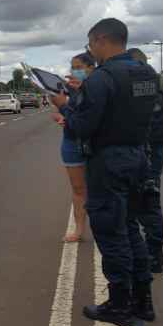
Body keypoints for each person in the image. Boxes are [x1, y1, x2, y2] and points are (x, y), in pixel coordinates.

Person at [50, 18, 160, 326]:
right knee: (130, 228)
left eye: (90, 45)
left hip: (109, 161)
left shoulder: (102, 78)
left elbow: (82, 127)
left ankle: (119, 305)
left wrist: (64, 106)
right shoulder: (147, 74)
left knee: (111, 233)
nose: (91, 51)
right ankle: (143, 301)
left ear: (101, 40)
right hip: (137, 157)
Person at [128, 48, 163, 273]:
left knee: (148, 200)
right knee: (143, 201)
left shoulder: (146, 86)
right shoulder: (152, 83)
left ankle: (154, 253)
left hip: (149, 152)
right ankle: (151, 250)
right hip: (151, 151)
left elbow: (149, 124)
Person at [52, 52, 97, 242]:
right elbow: (56, 111)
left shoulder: (98, 88)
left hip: (94, 142)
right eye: (73, 68)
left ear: (91, 67)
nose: (74, 71)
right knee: (78, 189)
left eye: (79, 67)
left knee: (99, 187)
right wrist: (61, 117)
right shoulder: (68, 89)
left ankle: (103, 228)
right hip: (71, 141)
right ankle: (78, 230)